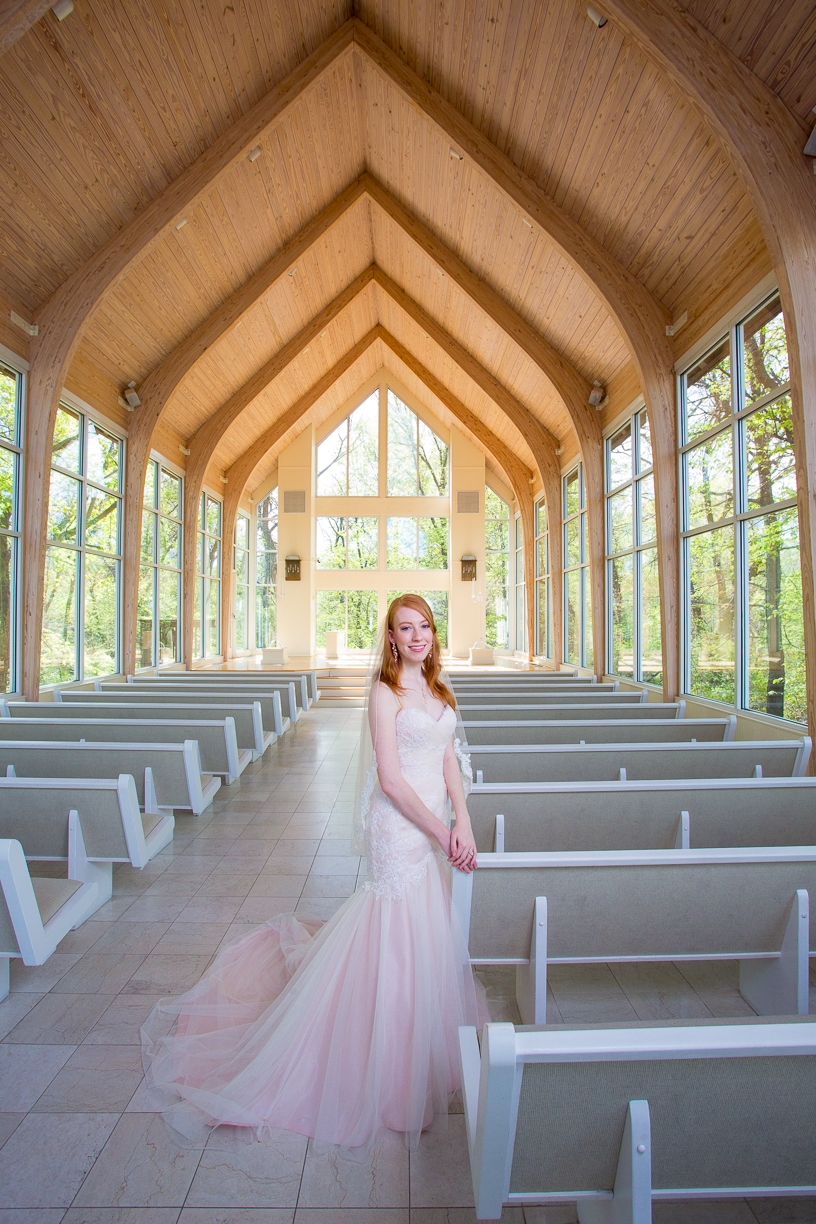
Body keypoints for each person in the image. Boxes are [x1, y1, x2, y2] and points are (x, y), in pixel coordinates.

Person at [141, 594, 486, 1151]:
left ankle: (417, 1058)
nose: (418, 636)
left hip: (439, 822)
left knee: (427, 932)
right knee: (395, 936)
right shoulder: (385, 692)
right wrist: (440, 835)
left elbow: (449, 759)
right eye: (406, 628)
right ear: (391, 637)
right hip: (400, 828)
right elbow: (393, 782)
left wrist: (462, 821)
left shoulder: (440, 688)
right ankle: (389, 1077)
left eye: (425, 626)